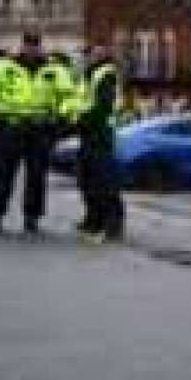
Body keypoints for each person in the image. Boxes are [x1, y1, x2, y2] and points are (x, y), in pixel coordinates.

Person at [0, 32, 74, 235]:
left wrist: (61, 114)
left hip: (40, 127)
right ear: (21, 46)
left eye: (35, 45)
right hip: (10, 125)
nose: (31, 49)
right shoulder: (4, 67)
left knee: (37, 175)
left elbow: (67, 94)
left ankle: (32, 218)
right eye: (28, 45)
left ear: (40, 47)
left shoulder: (54, 69)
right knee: (1, 174)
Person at [67, 46, 125, 242]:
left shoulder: (105, 74)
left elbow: (102, 107)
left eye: (90, 54)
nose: (86, 57)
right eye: (86, 54)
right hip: (89, 133)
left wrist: (79, 122)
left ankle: (110, 224)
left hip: (100, 134)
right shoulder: (89, 75)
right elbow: (82, 103)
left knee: (103, 181)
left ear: (100, 56)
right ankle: (93, 219)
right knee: (87, 179)